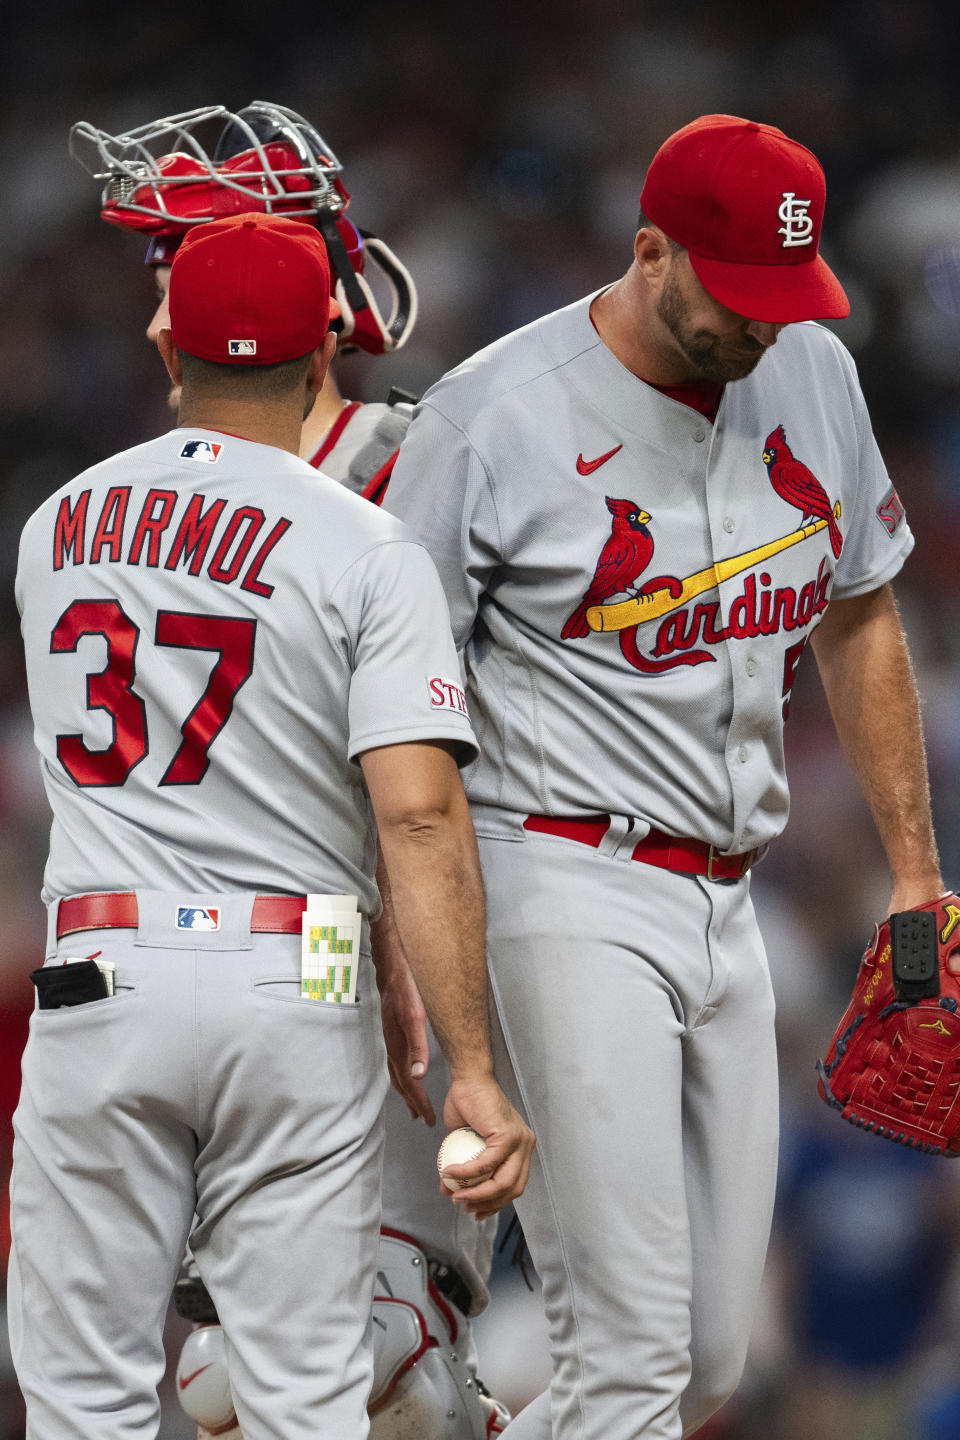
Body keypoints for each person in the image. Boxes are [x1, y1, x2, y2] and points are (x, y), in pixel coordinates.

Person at [382, 112, 946, 1439]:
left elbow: (861, 614)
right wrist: (414, 955)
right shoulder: (492, 418)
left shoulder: (809, 363)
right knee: (627, 1358)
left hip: (727, 900)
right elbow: (389, 711)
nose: (763, 327)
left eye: (783, 296)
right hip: (553, 875)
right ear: (652, 252)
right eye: (739, 295)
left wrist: (918, 874)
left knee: (708, 1362)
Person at [9, 211, 534, 1440]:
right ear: (321, 362)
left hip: (102, 966)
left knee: (81, 1397)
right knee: (301, 1397)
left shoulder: (52, 528)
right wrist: (471, 1064)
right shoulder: (368, 544)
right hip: (296, 974)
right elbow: (414, 809)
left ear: (168, 349)